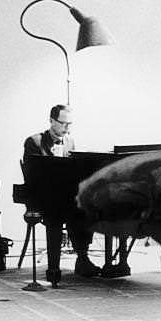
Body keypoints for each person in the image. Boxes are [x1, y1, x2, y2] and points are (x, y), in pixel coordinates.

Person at [23, 104, 102, 284]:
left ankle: (82, 259)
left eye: (70, 124)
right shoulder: (35, 142)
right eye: (63, 123)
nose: (67, 128)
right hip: (43, 195)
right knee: (57, 212)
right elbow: (32, 174)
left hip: (64, 194)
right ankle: (53, 269)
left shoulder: (70, 141)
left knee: (84, 209)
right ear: (51, 121)